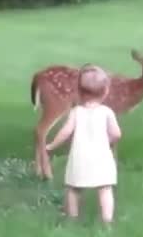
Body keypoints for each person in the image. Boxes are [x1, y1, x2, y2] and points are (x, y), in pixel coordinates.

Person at [44, 64, 122, 224]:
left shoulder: (76, 112)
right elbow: (116, 134)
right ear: (106, 91)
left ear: (79, 92)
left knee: (73, 189)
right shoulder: (107, 112)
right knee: (105, 189)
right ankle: (107, 221)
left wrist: (51, 146)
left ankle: (72, 217)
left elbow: (65, 132)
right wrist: (109, 141)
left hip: (80, 159)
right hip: (102, 159)